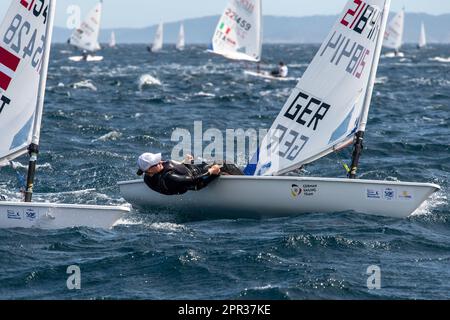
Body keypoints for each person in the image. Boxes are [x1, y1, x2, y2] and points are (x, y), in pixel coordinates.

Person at [137, 153, 242, 196]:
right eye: (157, 163)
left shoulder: (149, 174)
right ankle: (245, 180)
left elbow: (179, 176)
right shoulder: (168, 178)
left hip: (192, 171)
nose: (161, 162)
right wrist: (211, 171)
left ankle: (227, 174)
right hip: (199, 180)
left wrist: (184, 162)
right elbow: (192, 180)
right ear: (149, 169)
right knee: (225, 163)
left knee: (212, 161)